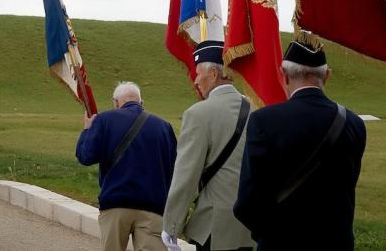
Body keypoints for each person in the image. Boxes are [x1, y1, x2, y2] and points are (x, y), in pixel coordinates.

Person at [233, 39, 367, 250]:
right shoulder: (354, 123)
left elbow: (247, 203)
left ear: (284, 75)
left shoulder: (264, 121)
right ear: (327, 76)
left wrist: (269, 236)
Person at [162, 41, 254, 251]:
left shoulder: (197, 114)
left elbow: (186, 175)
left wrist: (172, 225)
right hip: (246, 225)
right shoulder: (254, 109)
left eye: (198, 73)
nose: (195, 80)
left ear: (213, 74)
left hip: (214, 226)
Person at [76, 82, 177, 251]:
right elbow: (173, 169)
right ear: (141, 102)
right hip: (153, 207)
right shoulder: (164, 127)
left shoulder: (104, 120)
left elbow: (85, 156)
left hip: (116, 203)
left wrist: (87, 130)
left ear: (116, 102)